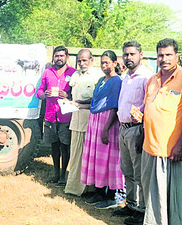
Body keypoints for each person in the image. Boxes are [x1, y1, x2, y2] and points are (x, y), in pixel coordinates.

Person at [137, 38, 182, 225]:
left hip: (170, 148)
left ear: (176, 56)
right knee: (150, 189)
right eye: (160, 55)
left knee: (168, 192)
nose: (164, 59)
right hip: (149, 144)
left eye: (168, 55)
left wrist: (181, 144)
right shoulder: (152, 80)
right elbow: (148, 109)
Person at [112, 41, 153, 225]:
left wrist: (143, 130)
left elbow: (150, 105)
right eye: (126, 54)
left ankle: (141, 210)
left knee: (139, 173)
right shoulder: (125, 77)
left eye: (132, 54)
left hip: (137, 130)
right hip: (123, 128)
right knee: (127, 170)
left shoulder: (146, 77)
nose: (128, 58)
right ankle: (130, 204)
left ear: (141, 55)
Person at [80, 51, 123, 209]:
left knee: (108, 159)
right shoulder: (101, 80)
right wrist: (79, 102)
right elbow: (96, 100)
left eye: (107, 63)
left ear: (114, 63)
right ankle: (99, 192)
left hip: (108, 123)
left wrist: (106, 129)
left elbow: (114, 106)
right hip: (95, 121)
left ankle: (111, 195)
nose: (104, 66)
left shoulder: (117, 81)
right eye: (102, 63)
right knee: (96, 157)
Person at [64, 49, 102, 195]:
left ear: (91, 60)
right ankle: (73, 187)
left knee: (89, 157)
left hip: (90, 123)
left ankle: (89, 189)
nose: (82, 63)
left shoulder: (97, 76)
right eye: (79, 61)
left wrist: (82, 103)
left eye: (85, 60)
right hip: (75, 120)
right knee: (75, 156)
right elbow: (71, 94)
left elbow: (97, 100)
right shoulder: (75, 75)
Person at [37, 46, 76, 186]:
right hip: (50, 115)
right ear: (53, 57)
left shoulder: (73, 73)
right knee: (54, 146)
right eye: (56, 56)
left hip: (66, 116)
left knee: (65, 146)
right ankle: (55, 173)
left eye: (61, 56)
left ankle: (63, 175)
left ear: (67, 57)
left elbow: (77, 93)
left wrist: (68, 95)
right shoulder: (47, 72)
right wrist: (44, 94)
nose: (59, 58)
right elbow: (39, 91)